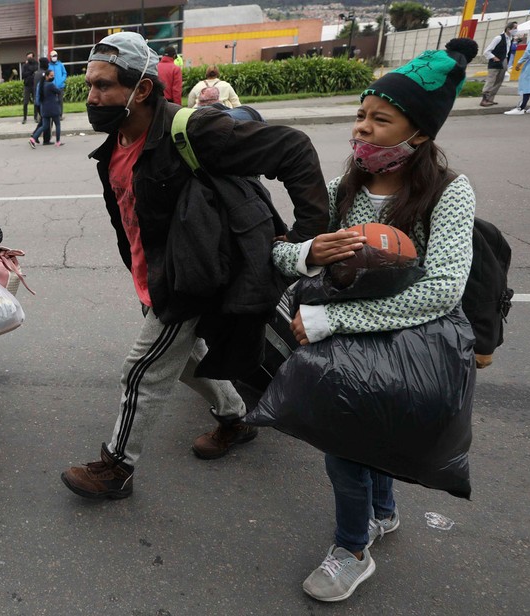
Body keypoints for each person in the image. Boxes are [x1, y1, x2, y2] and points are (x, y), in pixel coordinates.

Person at [60, 31, 330, 500]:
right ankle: (235, 418)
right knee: (183, 363)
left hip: (189, 280)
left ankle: (116, 468)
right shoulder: (114, 147)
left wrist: (307, 234)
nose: (92, 97)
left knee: (142, 368)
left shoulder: (194, 130)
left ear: (141, 89)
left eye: (104, 86)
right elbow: (129, 221)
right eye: (89, 86)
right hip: (157, 276)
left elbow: (293, 148)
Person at [265, 39, 479, 602]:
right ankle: (381, 513)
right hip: (345, 337)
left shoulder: (450, 192)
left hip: (409, 338)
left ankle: (351, 551)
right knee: (362, 437)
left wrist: (336, 322)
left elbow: (442, 290)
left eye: (380, 120)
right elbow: (283, 254)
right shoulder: (345, 189)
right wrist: (315, 251)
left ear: (421, 134)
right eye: (361, 115)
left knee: (347, 447)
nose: (361, 129)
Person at [480, 21, 517, 106]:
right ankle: (484, 99)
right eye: (514, 28)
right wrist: (494, 57)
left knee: (498, 81)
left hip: (504, 60)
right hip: (495, 62)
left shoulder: (510, 39)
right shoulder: (499, 38)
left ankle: (490, 99)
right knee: (491, 81)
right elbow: (487, 51)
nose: (516, 30)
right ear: (508, 29)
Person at [29, 70, 63, 148]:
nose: (53, 77)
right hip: (53, 109)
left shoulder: (41, 85)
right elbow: (59, 91)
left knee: (44, 126)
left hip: (44, 109)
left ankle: (33, 138)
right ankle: (58, 141)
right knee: (57, 124)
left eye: (53, 75)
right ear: (46, 76)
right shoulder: (51, 85)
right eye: (51, 75)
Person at [33, 57, 53, 144]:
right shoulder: (44, 74)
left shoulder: (37, 73)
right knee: (46, 122)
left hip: (37, 101)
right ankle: (45, 139)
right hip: (43, 102)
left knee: (43, 121)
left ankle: (35, 136)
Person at [21, 52, 38, 125]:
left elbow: (36, 69)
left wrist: (29, 71)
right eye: (28, 57)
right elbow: (23, 75)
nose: (29, 58)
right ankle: (24, 118)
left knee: (36, 102)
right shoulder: (24, 65)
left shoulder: (36, 64)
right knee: (25, 102)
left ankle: (36, 117)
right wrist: (31, 72)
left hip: (34, 85)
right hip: (27, 85)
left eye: (30, 57)